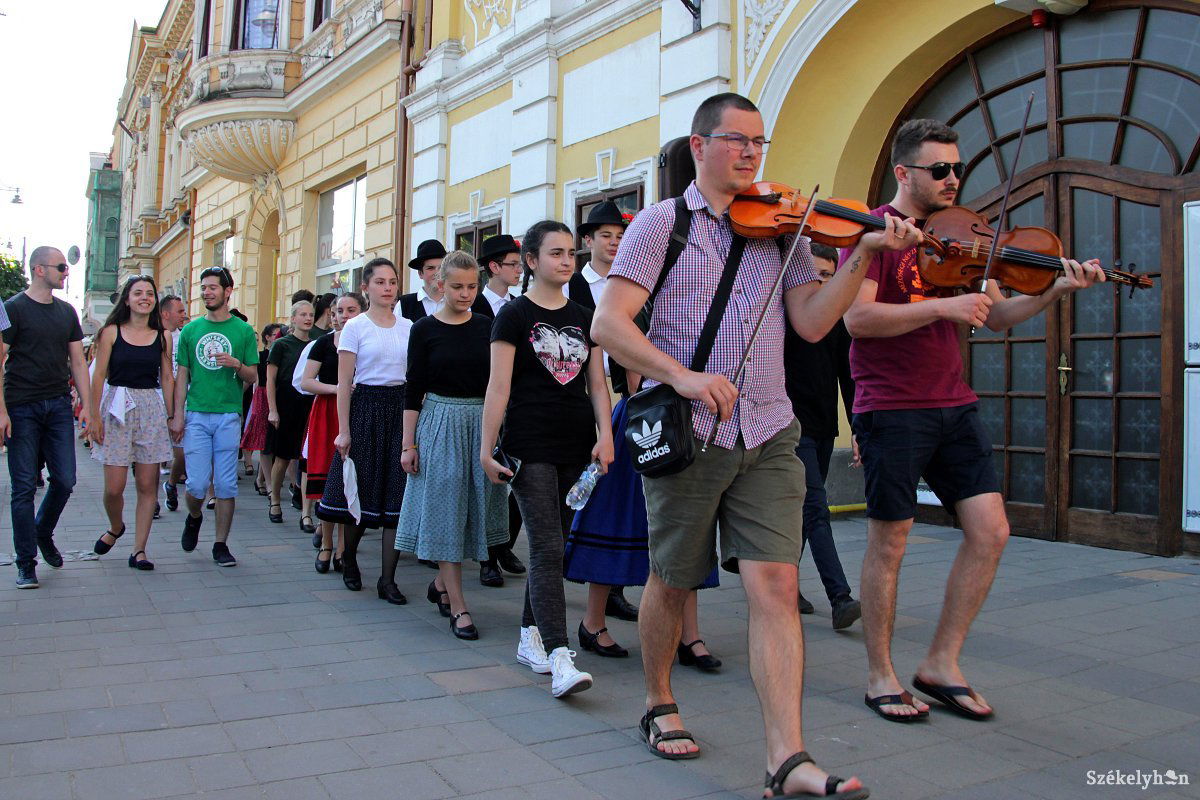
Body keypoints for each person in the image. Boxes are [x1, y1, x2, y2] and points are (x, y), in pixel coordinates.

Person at [593, 92, 919, 798]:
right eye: (736, 140)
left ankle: (787, 759)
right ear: (700, 144)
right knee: (673, 580)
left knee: (774, 584)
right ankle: (657, 698)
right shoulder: (660, 225)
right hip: (692, 432)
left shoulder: (788, 231)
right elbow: (609, 325)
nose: (750, 153)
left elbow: (809, 323)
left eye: (758, 142)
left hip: (771, 427)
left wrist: (860, 254)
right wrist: (681, 377)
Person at [843, 119, 1104, 725]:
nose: (953, 178)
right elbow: (857, 319)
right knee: (891, 542)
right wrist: (943, 306)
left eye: (957, 168)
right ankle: (880, 674)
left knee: (991, 531)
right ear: (905, 173)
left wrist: (1055, 289)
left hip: (953, 403)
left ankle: (940, 665)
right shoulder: (873, 233)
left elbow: (998, 314)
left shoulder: (962, 234)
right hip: (890, 406)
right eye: (939, 169)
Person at [482, 220, 614, 699]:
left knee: (552, 544)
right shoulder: (513, 316)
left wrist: (606, 437)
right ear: (532, 261)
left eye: (570, 253)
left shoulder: (586, 314)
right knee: (546, 547)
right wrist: (486, 446)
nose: (566, 260)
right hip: (527, 441)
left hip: (576, 444)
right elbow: (497, 387)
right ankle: (559, 655)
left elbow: (598, 384)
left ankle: (528, 637)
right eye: (555, 253)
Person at [397, 251, 509, 639]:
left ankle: (443, 585)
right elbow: (414, 388)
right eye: (457, 286)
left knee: (474, 508)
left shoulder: (486, 325)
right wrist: (408, 444)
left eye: (471, 286)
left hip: (481, 422)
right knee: (445, 509)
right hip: (440, 423)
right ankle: (458, 606)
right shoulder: (424, 329)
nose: (465, 293)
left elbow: (500, 379)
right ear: (439, 285)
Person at [562, 200, 644, 629]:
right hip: (577, 400)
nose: (614, 244)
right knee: (578, 493)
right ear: (588, 242)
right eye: (605, 237)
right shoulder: (573, 286)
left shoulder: (634, 282)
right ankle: (555, 573)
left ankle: (613, 589)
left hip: (620, 401)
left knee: (610, 498)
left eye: (620, 236)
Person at [316, 258, 412, 602]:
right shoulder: (355, 327)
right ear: (365, 287)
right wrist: (344, 430)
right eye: (380, 282)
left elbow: (414, 380)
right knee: (361, 491)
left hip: (400, 409)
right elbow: (344, 383)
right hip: (366, 410)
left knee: (397, 496)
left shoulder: (409, 326)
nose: (388, 287)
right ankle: (350, 557)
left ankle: (388, 579)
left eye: (392, 281)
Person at [1, 246, 90, 589]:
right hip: (21, 406)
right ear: (39, 269)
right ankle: (26, 562)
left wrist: (89, 409)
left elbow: (78, 362)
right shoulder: (12, 309)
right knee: (23, 487)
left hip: (56, 406)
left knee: (65, 480)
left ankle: (42, 531)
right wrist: (2, 411)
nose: (66, 272)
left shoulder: (66, 312)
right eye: (61, 267)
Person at [784, 242, 862, 630]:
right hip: (787, 427)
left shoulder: (836, 320)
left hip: (823, 426)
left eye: (828, 276)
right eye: (811, 274)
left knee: (803, 513)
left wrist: (858, 426)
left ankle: (785, 585)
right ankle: (840, 596)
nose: (819, 283)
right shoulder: (782, 317)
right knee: (816, 507)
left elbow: (848, 379)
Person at [170, 266, 259, 567]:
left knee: (226, 485)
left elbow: (253, 375)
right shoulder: (191, 331)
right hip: (196, 414)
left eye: (212, 287)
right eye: (204, 287)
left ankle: (221, 544)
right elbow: (182, 376)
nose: (207, 292)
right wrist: (177, 416)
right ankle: (194, 516)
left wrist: (236, 364)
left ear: (227, 291)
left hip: (228, 416)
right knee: (195, 484)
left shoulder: (243, 331)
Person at [87, 276, 175, 569]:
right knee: (114, 487)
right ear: (127, 299)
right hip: (116, 406)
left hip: (150, 406)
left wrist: (172, 414)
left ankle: (139, 550)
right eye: (138, 293)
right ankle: (116, 527)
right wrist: (94, 416)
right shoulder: (110, 332)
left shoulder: (163, 336)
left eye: (149, 294)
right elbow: (98, 375)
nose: (144, 298)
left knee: (147, 484)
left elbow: (167, 376)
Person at [470, 233, 527, 587]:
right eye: (513, 264)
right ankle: (486, 557)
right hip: (486, 400)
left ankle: (504, 543)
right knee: (489, 482)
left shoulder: (521, 305)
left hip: (519, 401)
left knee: (521, 477)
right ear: (494, 267)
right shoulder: (475, 305)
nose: (519, 270)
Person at [301, 292, 365, 572]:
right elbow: (306, 382)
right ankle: (326, 543)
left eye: (351, 310)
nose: (345, 315)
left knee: (349, 481)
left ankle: (342, 548)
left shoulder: (367, 340)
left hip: (358, 412)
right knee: (327, 480)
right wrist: (336, 389)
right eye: (340, 310)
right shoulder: (324, 343)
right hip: (327, 413)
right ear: (333, 314)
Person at [264, 301, 316, 525]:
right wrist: (272, 409)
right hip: (285, 403)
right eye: (303, 314)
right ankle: (274, 498)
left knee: (306, 459)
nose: (307, 318)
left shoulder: (316, 344)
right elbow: (270, 379)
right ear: (293, 318)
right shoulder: (282, 345)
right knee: (283, 457)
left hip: (308, 404)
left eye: (311, 315)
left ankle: (306, 511)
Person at [241, 323, 285, 495]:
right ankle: (267, 482)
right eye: (275, 334)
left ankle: (261, 478)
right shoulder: (260, 356)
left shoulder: (282, 352)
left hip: (277, 396)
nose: (277, 337)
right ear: (267, 337)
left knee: (271, 442)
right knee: (264, 440)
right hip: (262, 397)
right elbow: (255, 381)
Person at [159, 295, 189, 510]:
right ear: (166, 313)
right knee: (150, 456)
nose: (184, 315)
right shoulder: (154, 336)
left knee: (181, 452)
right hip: (154, 399)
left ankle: (171, 483)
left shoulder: (184, 337)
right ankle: (151, 501)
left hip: (180, 400)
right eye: (180, 311)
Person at [399, 239, 447, 322]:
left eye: (441, 268)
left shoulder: (457, 300)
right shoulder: (404, 304)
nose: (437, 273)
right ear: (420, 273)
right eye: (430, 268)